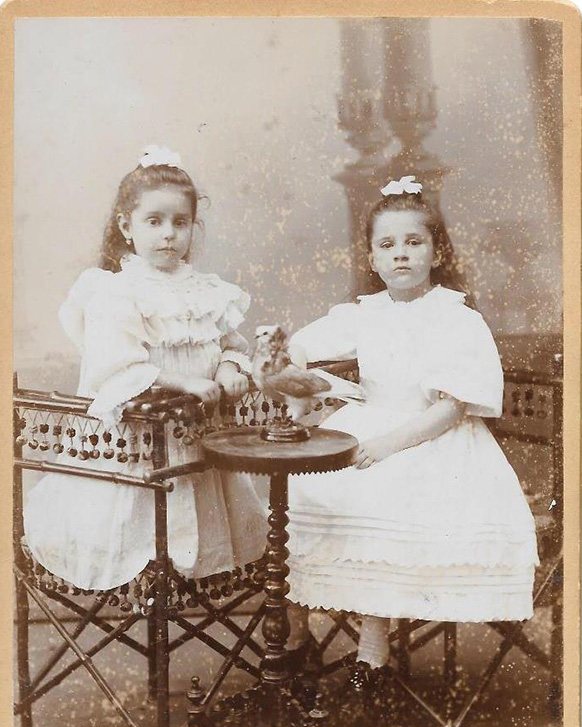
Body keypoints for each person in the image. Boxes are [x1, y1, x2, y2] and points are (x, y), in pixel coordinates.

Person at [286, 175, 539, 677]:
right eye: (387, 245)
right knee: (301, 491)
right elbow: (301, 345)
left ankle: (372, 651)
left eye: (413, 242)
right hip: (368, 427)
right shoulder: (365, 314)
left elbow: (450, 410)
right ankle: (297, 634)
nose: (400, 254)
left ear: (436, 252)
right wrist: (294, 372)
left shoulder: (456, 317)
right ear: (372, 259)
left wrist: (386, 445)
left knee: (386, 493)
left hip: (434, 439)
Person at [24, 146, 266, 591]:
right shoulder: (117, 293)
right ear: (126, 227)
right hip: (134, 446)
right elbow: (118, 367)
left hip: (195, 443)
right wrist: (185, 381)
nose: (168, 234)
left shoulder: (207, 291)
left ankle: (182, 581)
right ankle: (145, 583)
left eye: (180, 222)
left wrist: (229, 369)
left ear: (193, 227)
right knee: (138, 536)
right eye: (154, 222)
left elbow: (232, 345)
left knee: (197, 529)